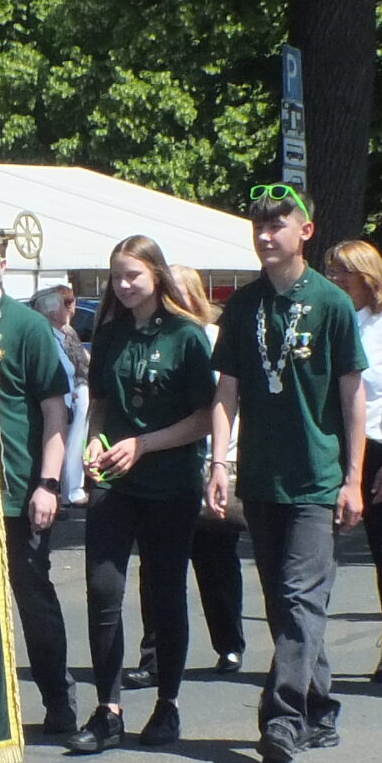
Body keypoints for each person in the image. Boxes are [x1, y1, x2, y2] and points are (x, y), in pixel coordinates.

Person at [206, 187, 366, 763]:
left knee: (300, 598)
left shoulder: (331, 303)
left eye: (278, 224)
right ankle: (320, 707)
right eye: (259, 225)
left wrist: (353, 478)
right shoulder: (243, 306)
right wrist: (218, 463)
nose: (266, 234)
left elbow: (352, 396)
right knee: (284, 603)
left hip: (315, 478)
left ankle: (282, 718)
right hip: (261, 477)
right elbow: (226, 392)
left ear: (305, 231)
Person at [72, 235, 217, 753]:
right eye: (116, 276)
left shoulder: (186, 335)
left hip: (170, 481)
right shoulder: (110, 333)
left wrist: (144, 444)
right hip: (114, 482)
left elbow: (205, 418)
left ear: (156, 275)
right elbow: (100, 403)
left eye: (133, 275)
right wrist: (93, 442)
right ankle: (107, 710)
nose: (124, 285)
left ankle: (167, 703)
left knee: (164, 591)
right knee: (103, 590)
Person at [130, 263, 245, 689]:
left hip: (213, 463)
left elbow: (229, 406)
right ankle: (154, 656)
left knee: (216, 562)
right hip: (165, 467)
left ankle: (228, 642)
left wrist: (223, 461)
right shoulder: (157, 339)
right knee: (158, 567)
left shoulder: (213, 339)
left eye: (177, 293)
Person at [0, 253, 75, 735]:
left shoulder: (27, 327)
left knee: (33, 597)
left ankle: (58, 698)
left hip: (17, 491)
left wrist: (48, 483)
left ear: (1, 262)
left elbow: (54, 410)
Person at [323, 239, 382, 678]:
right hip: (329, 445)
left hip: (376, 445)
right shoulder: (326, 322)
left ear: (366, 276)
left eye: (344, 271)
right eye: (331, 271)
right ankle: (306, 644)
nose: (336, 279)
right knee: (319, 547)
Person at [34, 284, 92, 504]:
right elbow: (60, 370)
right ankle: (65, 492)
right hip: (66, 401)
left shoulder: (63, 333)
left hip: (73, 397)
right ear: (52, 313)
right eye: (63, 306)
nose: (69, 310)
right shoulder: (48, 338)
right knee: (65, 446)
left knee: (72, 446)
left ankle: (67, 491)